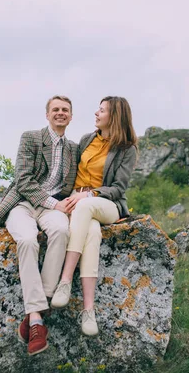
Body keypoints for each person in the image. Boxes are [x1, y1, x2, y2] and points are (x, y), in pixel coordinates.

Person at [0, 95, 78, 355]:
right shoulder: (31, 138)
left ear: (71, 117)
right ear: (47, 115)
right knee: (27, 240)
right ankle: (37, 319)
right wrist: (53, 203)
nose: (60, 113)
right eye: (56, 109)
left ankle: (38, 309)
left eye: (65, 110)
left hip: (54, 208)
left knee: (62, 231)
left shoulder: (74, 148)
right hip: (24, 204)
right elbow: (23, 180)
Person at [50, 96, 138, 336]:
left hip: (106, 204)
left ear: (114, 116)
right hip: (78, 205)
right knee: (92, 232)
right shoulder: (87, 140)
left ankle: (65, 280)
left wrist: (88, 195)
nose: (96, 114)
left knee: (85, 208)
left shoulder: (127, 149)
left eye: (101, 110)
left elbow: (119, 188)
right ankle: (89, 310)